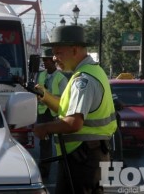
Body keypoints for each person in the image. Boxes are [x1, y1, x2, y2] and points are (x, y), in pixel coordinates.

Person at [33, 25, 117, 194]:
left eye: (58, 52)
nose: (54, 58)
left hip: (82, 158)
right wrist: (45, 95)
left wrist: (45, 127)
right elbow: (67, 110)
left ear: (74, 50)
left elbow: (73, 122)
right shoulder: (94, 71)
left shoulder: (82, 80)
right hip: (90, 154)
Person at [36, 47, 68, 178]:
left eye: (46, 60)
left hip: (55, 113)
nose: (44, 62)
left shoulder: (61, 78)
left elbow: (64, 99)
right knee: (44, 143)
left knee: (60, 142)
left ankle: (64, 167)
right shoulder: (41, 75)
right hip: (43, 113)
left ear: (53, 61)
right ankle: (44, 169)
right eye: (43, 60)